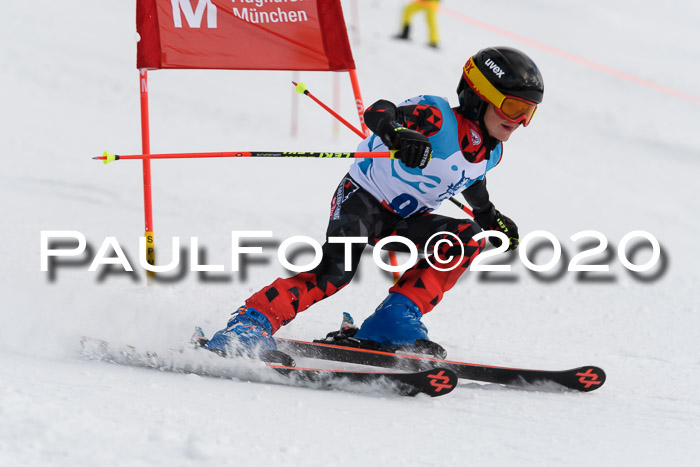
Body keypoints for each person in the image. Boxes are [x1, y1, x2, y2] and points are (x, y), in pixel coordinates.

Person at [204, 46, 544, 361]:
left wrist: (489, 215)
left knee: (465, 238)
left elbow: (473, 181)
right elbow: (379, 111)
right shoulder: (438, 115)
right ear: (480, 96)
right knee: (335, 273)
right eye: (513, 107)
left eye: (528, 112)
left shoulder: (493, 152)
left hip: (403, 220)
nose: (519, 121)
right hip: (362, 198)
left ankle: (392, 321)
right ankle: (249, 325)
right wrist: (396, 132)